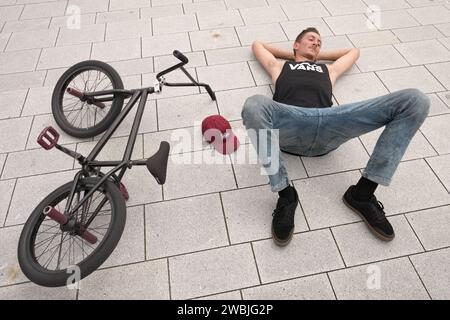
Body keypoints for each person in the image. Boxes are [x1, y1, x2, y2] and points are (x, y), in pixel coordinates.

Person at [242, 27, 430, 246]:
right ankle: (286, 196)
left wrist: (314, 56)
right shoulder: (279, 66)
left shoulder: (328, 71)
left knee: (416, 100)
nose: (316, 43)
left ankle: (362, 194)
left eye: (320, 42)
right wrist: (296, 56)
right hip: (291, 123)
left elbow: (353, 51)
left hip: (330, 122)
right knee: (254, 104)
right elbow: (258, 45)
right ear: (296, 44)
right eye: (311, 39)